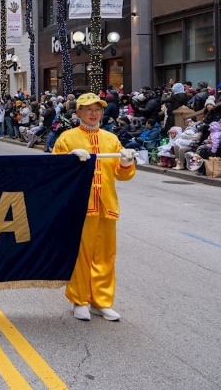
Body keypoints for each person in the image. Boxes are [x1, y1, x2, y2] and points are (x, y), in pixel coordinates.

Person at [52, 92, 137, 322]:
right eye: (88, 109)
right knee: (81, 255)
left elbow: (121, 175)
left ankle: (101, 301)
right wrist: (68, 160)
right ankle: (80, 299)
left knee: (106, 256)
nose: (93, 113)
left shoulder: (111, 139)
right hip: (79, 207)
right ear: (78, 112)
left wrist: (126, 162)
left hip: (106, 205)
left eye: (97, 109)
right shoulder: (66, 139)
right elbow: (54, 172)